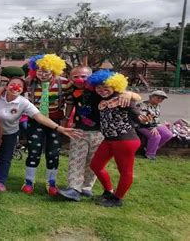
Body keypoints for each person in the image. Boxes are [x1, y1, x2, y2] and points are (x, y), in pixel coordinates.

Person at [59, 66, 141, 201]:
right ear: (71, 78)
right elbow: (69, 103)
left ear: (91, 77)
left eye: (84, 76)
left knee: (94, 162)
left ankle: (86, 188)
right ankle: (73, 188)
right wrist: (66, 119)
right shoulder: (71, 88)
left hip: (100, 132)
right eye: (76, 76)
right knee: (76, 159)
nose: (80, 79)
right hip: (79, 129)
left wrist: (128, 93)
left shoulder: (100, 89)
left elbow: (130, 96)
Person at [0, 77, 83, 192]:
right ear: (6, 86)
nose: (15, 87)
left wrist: (59, 128)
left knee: (5, 158)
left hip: (9, 133)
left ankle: (0, 181)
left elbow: (39, 117)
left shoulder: (23, 102)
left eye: (20, 86)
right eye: (12, 84)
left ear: (23, 90)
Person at [87, 69, 144, 207]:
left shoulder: (123, 98)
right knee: (95, 165)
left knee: (125, 171)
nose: (101, 90)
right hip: (109, 140)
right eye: (98, 87)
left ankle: (117, 198)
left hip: (125, 140)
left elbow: (136, 112)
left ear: (115, 86)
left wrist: (141, 116)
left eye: (105, 87)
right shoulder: (101, 101)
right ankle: (108, 191)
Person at [22, 54, 72, 196]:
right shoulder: (29, 82)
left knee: (53, 153)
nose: (42, 74)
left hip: (56, 121)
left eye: (46, 71)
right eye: (39, 70)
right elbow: (15, 87)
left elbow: (70, 101)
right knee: (34, 151)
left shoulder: (64, 83)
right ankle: (29, 181)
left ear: (54, 70)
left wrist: (66, 118)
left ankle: (51, 183)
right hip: (35, 121)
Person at [137, 90, 173, 160]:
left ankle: (149, 148)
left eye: (162, 99)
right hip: (141, 125)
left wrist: (162, 126)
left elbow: (156, 119)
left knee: (168, 134)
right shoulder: (142, 105)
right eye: (158, 97)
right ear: (151, 97)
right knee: (156, 136)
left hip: (154, 124)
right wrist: (151, 127)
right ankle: (150, 154)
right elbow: (142, 120)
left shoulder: (158, 106)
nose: (160, 100)